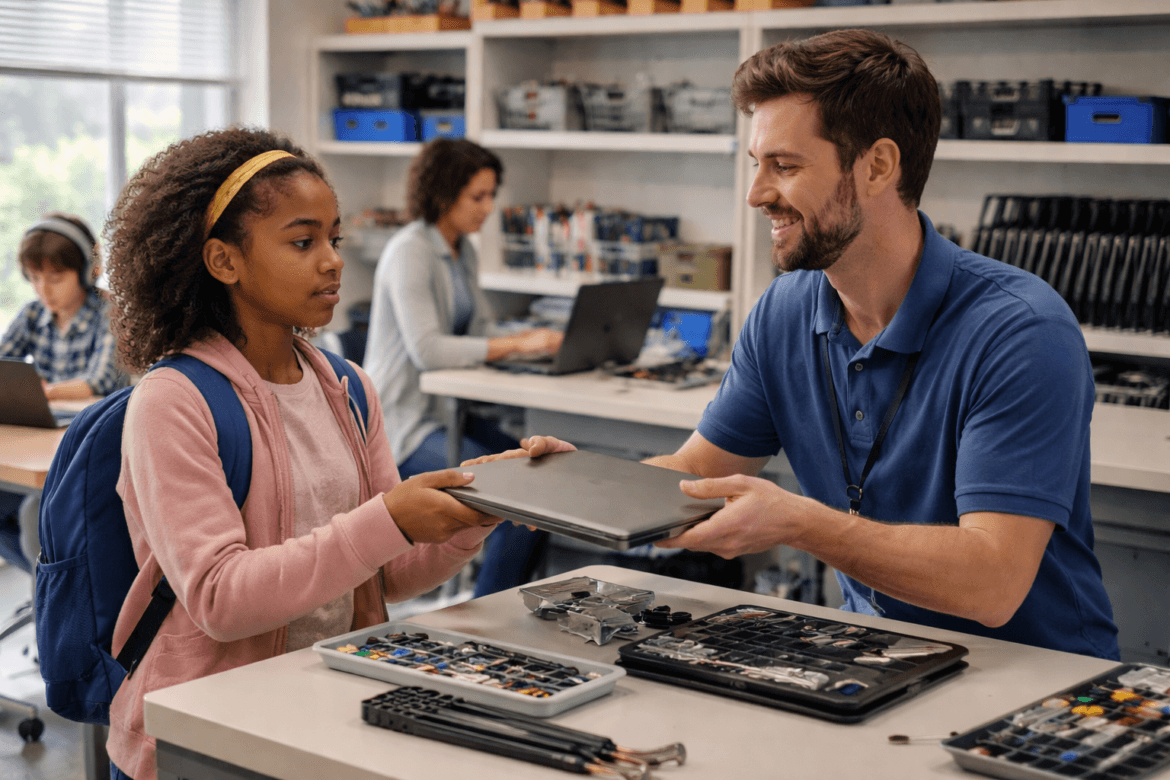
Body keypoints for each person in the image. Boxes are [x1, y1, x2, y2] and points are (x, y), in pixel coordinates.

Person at [557, 30, 1119, 659]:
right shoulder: (784, 310)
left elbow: (990, 584)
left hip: (1035, 680)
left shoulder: (1020, 331)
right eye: (757, 164)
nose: (756, 193)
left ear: (878, 166)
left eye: (786, 166)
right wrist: (560, 487)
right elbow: (693, 478)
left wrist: (799, 522)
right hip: (873, 658)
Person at [102, 127, 510, 780]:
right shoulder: (173, 401)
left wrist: (476, 511)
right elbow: (219, 598)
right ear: (223, 260)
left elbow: (385, 574)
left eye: (334, 239)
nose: (332, 261)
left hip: (321, 720)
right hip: (204, 740)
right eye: (302, 241)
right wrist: (389, 519)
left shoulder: (347, 387)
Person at [364, 138, 562, 597]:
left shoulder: (462, 251)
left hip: (448, 413)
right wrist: (515, 343)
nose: (488, 208)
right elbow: (429, 350)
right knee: (516, 500)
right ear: (443, 193)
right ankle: (487, 619)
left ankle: (511, 605)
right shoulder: (409, 250)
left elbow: (480, 329)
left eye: (492, 195)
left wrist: (534, 345)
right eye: (478, 196)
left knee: (549, 479)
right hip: (404, 423)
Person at [0, 214, 127, 571]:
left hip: (89, 445)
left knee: (34, 515)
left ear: (87, 270)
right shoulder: (32, 315)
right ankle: (46, 581)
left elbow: (101, 380)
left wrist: (46, 391)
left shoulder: (110, 311)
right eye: (36, 278)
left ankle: (52, 586)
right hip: (40, 439)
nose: (44, 289)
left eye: (56, 278)